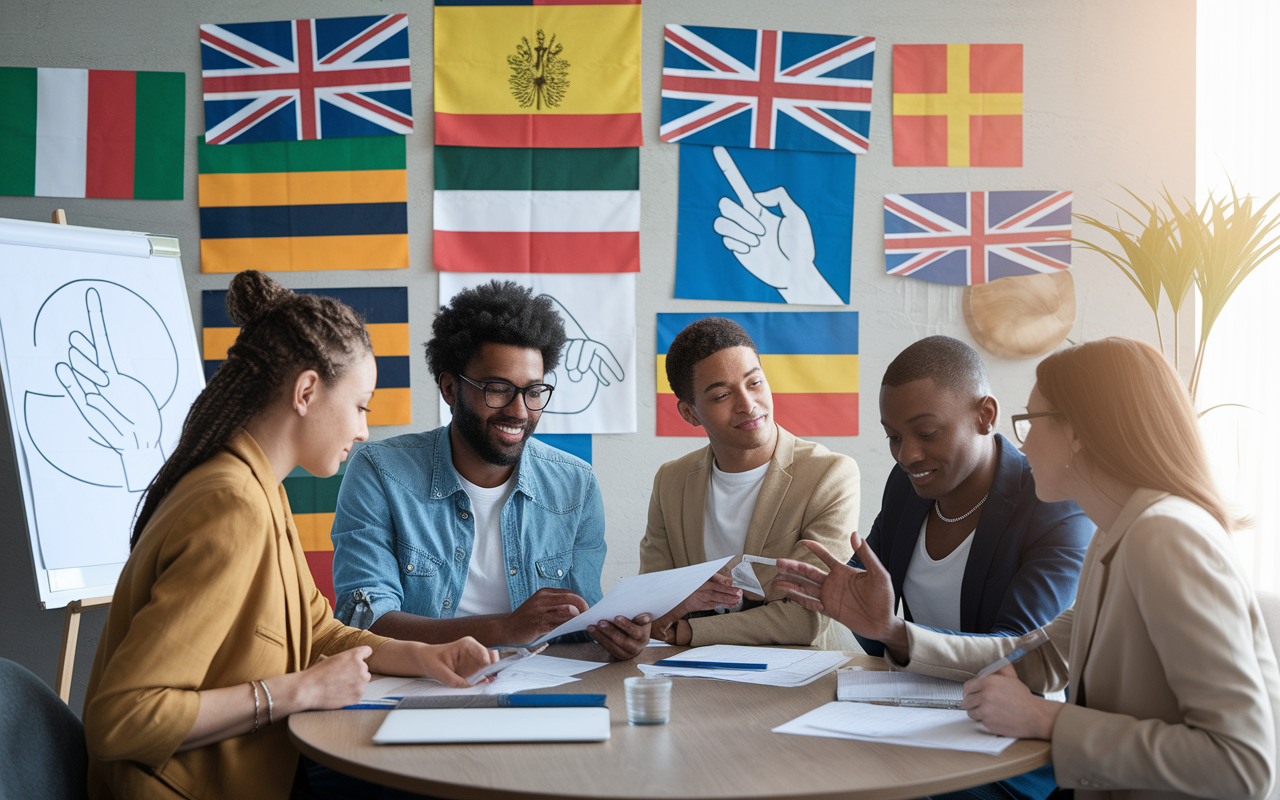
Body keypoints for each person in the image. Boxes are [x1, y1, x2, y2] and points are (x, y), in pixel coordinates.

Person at [778, 337, 1280, 800]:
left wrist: (1049, 719)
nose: (1023, 444)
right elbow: (1029, 653)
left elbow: (1244, 765)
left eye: (1032, 422)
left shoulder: (1166, 535)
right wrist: (894, 633)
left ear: (1080, 434)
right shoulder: (1119, 529)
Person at [82, 272, 494, 800]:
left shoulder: (261, 489)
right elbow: (122, 719)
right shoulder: (230, 506)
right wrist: (300, 690)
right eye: (361, 406)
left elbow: (317, 630)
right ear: (306, 392)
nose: (365, 430)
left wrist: (422, 656)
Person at [331, 280, 649, 660]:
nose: (519, 411)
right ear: (450, 389)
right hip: (420, 684)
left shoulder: (575, 485)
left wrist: (613, 636)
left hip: (539, 684)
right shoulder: (381, 473)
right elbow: (364, 623)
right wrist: (505, 628)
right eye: (498, 388)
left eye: (533, 392)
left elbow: (577, 623)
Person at [632, 317, 858, 650]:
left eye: (754, 383)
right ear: (690, 413)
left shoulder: (830, 475)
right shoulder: (672, 480)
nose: (748, 404)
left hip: (797, 679)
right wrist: (668, 614)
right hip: (689, 676)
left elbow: (805, 618)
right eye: (722, 395)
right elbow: (651, 603)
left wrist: (686, 630)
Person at [857, 336, 1092, 656]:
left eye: (927, 433)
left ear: (985, 416)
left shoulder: (1055, 505)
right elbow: (866, 601)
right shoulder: (905, 485)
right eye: (894, 436)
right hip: (913, 700)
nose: (906, 455)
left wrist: (895, 634)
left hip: (1010, 705)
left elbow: (1017, 649)